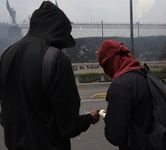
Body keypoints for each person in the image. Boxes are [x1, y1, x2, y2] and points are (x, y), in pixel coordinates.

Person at [0, 1, 100, 150]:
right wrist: (89, 119)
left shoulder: (7, 55)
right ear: (59, 32)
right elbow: (68, 126)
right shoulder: (57, 60)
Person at [97, 40, 153, 150]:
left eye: (104, 66)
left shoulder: (120, 85)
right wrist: (116, 113)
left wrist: (111, 118)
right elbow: (140, 112)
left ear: (109, 61)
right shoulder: (142, 73)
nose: (105, 71)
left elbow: (114, 137)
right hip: (154, 142)